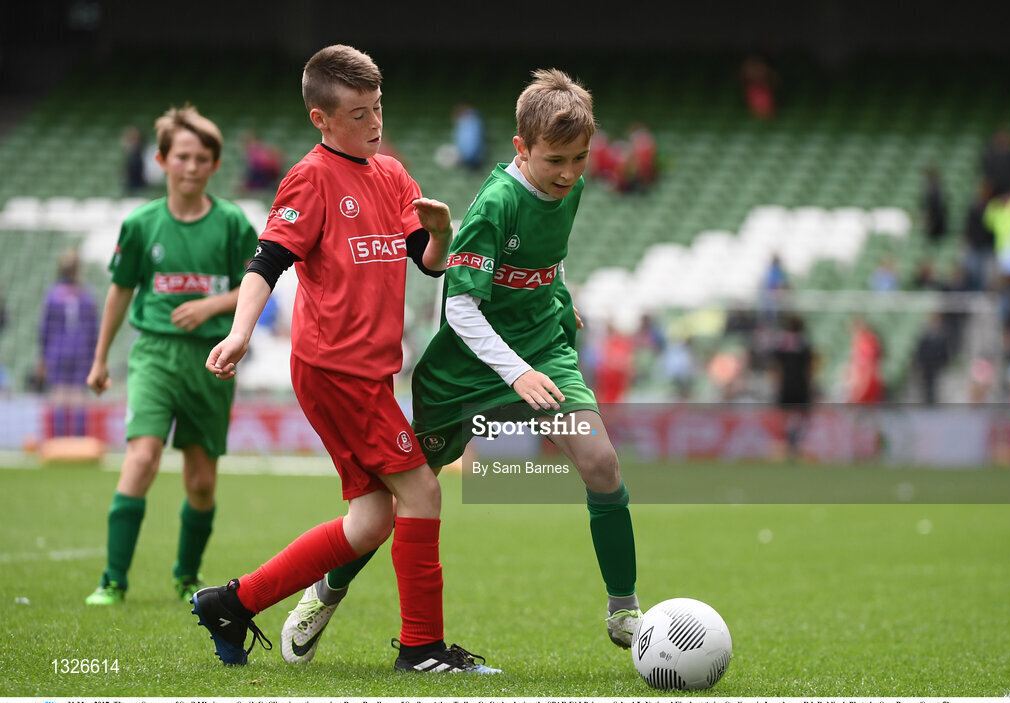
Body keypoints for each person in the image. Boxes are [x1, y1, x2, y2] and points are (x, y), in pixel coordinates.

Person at [278, 68, 642, 666]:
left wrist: (559, 299)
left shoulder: (569, 185)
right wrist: (514, 374)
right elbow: (461, 306)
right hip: (466, 366)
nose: (570, 173)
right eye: (556, 159)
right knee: (403, 498)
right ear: (521, 148)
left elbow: (546, 261)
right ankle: (327, 591)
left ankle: (624, 610)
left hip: (544, 348)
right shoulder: (494, 205)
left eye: (580, 158)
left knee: (601, 462)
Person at [195, 44, 498, 674]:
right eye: (359, 114)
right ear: (321, 119)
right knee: (421, 492)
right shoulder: (310, 177)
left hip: (371, 372)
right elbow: (266, 263)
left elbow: (430, 260)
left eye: (378, 109)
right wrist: (241, 333)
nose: (375, 124)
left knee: (370, 520)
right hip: (335, 370)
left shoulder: (391, 175)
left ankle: (232, 603)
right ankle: (422, 648)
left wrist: (440, 232)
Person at [84, 105, 259, 605]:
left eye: (203, 158)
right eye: (182, 156)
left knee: (202, 481)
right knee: (141, 457)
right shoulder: (140, 224)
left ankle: (186, 575)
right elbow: (119, 291)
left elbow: (257, 283)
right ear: (161, 160)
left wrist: (212, 304)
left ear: (215, 165)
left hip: (213, 358)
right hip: (155, 354)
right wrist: (100, 360)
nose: (191, 166)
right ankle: (113, 580)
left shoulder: (230, 223)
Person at [37, 249, 99, 437]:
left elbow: (44, 329)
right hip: (81, 352)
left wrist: (42, 357)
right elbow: (94, 331)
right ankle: (78, 443)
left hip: (57, 352)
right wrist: (95, 357)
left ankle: (58, 442)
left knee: (59, 396)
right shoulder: (87, 296)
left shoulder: (52, 295)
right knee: (79, 398)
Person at [770, 314, 815, 458]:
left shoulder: (782, 343)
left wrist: (777, 383)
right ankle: (797, 443)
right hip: (801, 385)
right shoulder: (805, 343)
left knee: (785, 416)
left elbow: (776, 367)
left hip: (786, 385)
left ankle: (787, 444)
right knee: (802, 416)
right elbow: (810, 368)